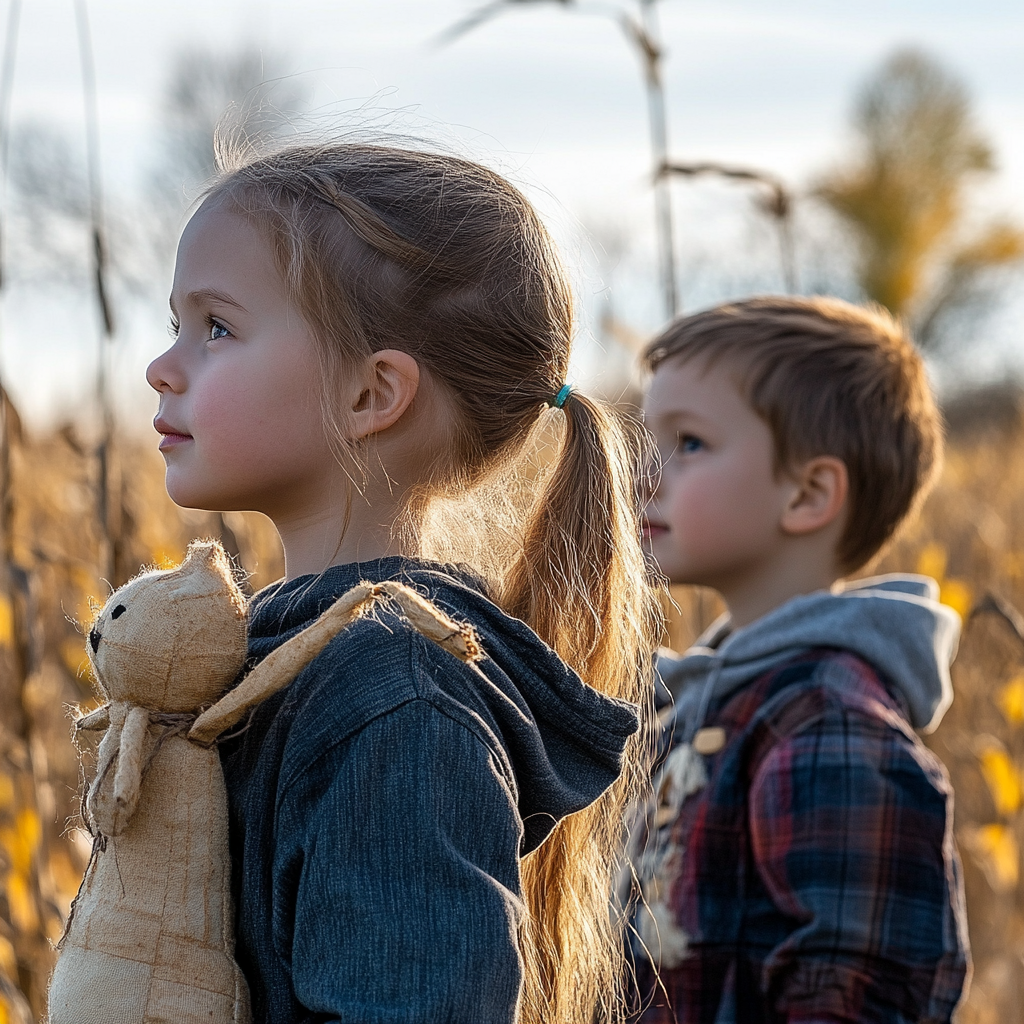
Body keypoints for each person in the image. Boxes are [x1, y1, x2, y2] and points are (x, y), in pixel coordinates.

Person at [146, 142, 661, 1024]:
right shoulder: (274, 655)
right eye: (175, 323)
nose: (164, 365)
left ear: (371, 393)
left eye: (218, 327)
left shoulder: (398, 706)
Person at [627, 296, 970, 1023]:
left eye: (687, 443)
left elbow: (852, 994)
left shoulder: (828, 725)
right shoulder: (691, 703)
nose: (644, 473)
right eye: (645, 438)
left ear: (809, 493)